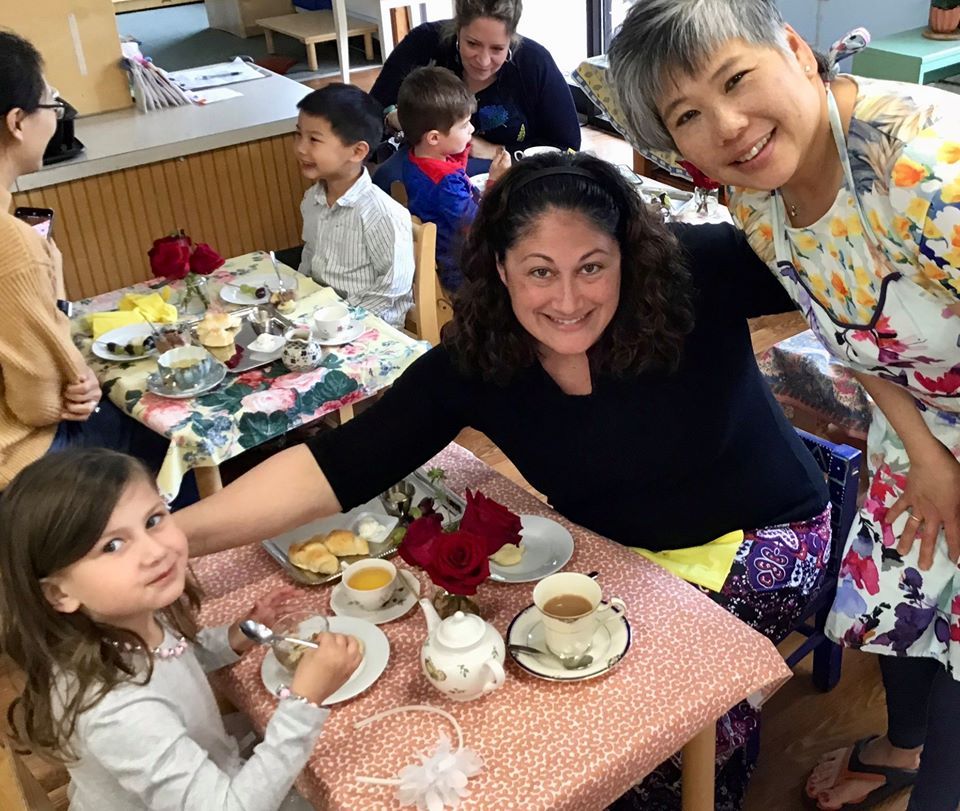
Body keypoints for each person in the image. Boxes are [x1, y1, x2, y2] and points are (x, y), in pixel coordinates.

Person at [178, 152, 831, 809]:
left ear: (626, 255)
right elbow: (341, 462)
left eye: (593, 267)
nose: (570, 301)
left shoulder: (697, 268)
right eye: (540, 272)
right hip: (624, 556)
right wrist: (170, 535)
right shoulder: (480, 355)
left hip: (765, 533)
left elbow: (839, 254)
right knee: (541, 690)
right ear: (500, 267)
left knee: (653, 729)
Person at [607, 2, 960, 810]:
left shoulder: (929, 172)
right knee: (897, 592)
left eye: (737, 79)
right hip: (922, 421)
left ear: (796, 50)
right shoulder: (756, 200)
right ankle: (901, 744)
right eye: (688, 115)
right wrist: (925, 453)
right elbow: (853, 332)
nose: (727, 127)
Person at [0, 448, 362, 810]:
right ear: (59, 593)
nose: (154, 551)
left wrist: (236, 636)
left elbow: (172, 655)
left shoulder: (126, 618)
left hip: (212, 771)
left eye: (154, 520)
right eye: (112, 545)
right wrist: (304, 702)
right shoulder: (117, 712)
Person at [0, 31, 195, 503]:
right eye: (53, 106)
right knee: (176, 439)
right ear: (17, 123)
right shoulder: (13, 244)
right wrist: (76, 378)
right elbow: (45, 401)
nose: (58, 119)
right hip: (24, 459)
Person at [369, 0, 581, 193]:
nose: (484, 60)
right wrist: (395, 116)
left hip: (507, 171)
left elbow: (567, 146)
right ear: (458, 29)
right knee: (387, 179)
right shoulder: (425, 42)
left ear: (512, 40)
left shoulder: (534, 63)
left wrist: (496, 150)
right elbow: (372, 109)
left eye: (497, 49)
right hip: (423, 162)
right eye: (472, 44)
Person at [294, 84, 414, 328]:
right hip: (320, 319)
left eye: (314, 139)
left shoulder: (381, 214)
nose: (300, 148)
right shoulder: (312, 200)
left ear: (357, 151)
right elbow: (310, 258)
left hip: (370, 328)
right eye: (298, 135)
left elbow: (392, 289)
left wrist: (342, 318)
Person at [398, 66, 511, 291]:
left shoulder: (415, 158)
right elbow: (477, 225)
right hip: (460, 269)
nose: (472, 129)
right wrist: (494, 182)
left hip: (443, 252)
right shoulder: (446, 184)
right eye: (464, 125)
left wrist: (460, 147)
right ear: (434, 138)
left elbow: (452, 171)